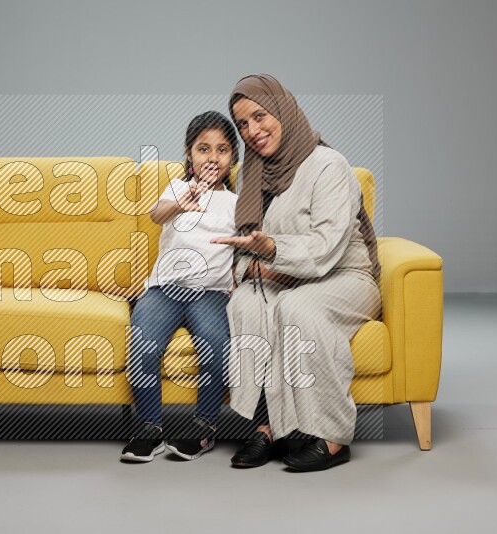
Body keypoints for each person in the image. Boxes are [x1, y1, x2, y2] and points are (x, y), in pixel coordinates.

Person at [211, 75, 382, 472]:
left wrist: (270, 250)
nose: (253, 131)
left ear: (283, 110)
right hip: (287, 273)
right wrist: (247, 266)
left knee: (298, 308)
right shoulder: (252, 174)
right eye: (243, 125)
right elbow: (245, 241)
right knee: (247, 304)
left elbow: (326, 247)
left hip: (345, 276)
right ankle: (268, 426)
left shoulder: (328, 166)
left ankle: (334, 436)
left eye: (259, 116)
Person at [121, 111, 239, 462]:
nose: (212, 157)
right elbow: (156, 215)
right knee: (142, 345)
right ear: (189, 154)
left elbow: (244, 246)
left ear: (233, 157)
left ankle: (204, 427)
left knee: (217, 347)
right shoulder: (177, 188)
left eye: (221, 150)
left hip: (212, 292)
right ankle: (149, 428)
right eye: (203, 149)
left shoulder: (236, 202)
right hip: (165, 288)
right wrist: (180, 203)